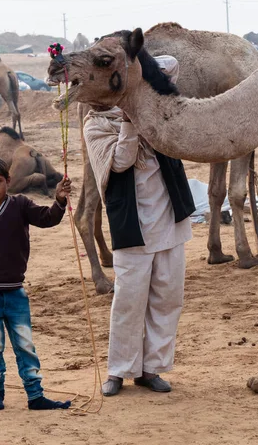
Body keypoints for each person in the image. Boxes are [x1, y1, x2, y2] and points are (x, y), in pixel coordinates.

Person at [83, 55, 195, 397]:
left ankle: (151, 369)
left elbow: (172, 63)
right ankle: (118, 371)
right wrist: (130, 118)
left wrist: (131, 65)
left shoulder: (149, 104)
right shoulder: (95, 125)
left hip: (169, 216)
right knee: (129, 301)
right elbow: (119, 162)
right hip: (131, 223)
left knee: (167, 297)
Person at [0, 157, 72, 411]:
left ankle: (35, 395)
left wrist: (59, 200)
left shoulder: (21, 205)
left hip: (15, 292)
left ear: (8, 181)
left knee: (25, 344)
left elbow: (47, 218)